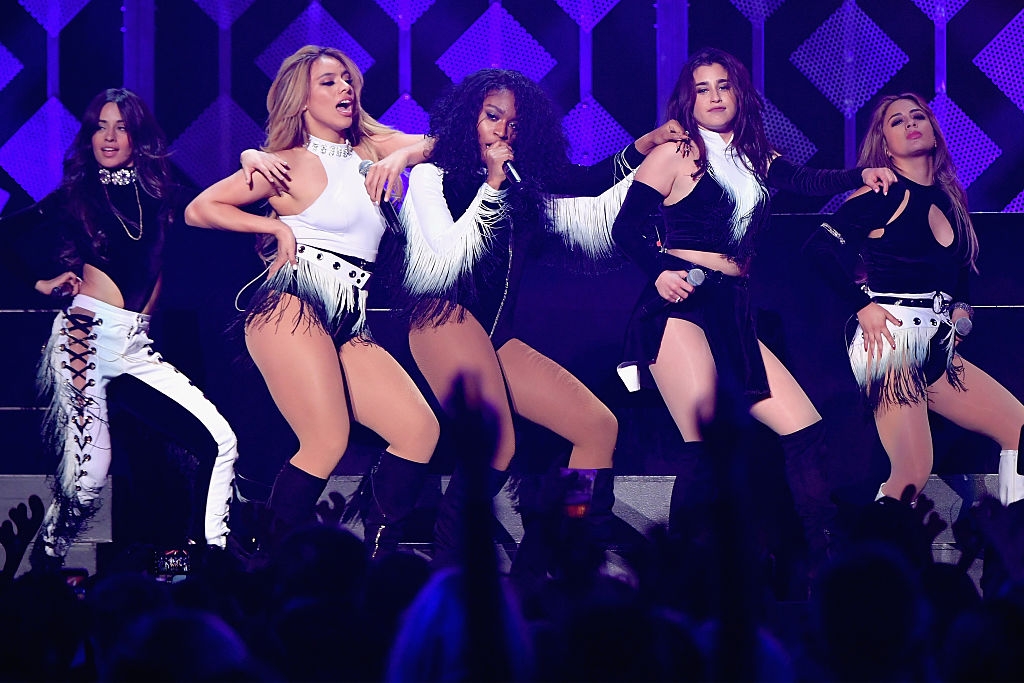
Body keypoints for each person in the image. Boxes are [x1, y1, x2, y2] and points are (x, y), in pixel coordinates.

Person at [609, 47, 896, 576]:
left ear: (739, 93)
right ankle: (679, 584)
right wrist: (658, 269)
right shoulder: (675, 153)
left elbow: (809, 182)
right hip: (680, 305)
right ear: (688, 99)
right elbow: (625, 227)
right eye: (703, 89)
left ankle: (823, 574)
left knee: (805, 430)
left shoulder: (754, 155)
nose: (715, 97)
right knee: (704, 447)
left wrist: (863, 173)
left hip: (732, 307)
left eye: (724, 86)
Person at [397, 68, 685, 579]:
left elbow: (590, 180)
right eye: (492, 118)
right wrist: (491, 184)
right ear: (470, 119)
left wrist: (647, 143)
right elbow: (445, 257)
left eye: (513, 124)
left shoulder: (525, 182)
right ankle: (449, 563)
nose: (503, 132)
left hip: (495, 336)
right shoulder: (432, 176)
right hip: (443, 318)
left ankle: (560, 547)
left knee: (597, 425)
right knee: (495, 443)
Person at [184, 45, 439, 559]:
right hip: (290, 305)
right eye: (328, 82)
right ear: (301, 98)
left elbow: (442, 145)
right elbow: (199, 208)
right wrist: (270, 224)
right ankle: (269, 565)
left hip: (350, 315)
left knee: (418, 431)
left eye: (347, 80)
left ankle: (378, 566)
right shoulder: (286, 165)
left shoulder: (372, 149)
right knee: (326, 440)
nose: (344, 89)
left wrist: (403, 154)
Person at [0, 88, 238, 563]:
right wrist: (39, 282)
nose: (108, 137)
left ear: (137, 136)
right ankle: (44, 565)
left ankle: (212, 563)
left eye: (120, 127)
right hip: (84, 339)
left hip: (134, 346)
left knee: (221, 440)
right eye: (99, 127)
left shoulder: (161, 192)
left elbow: (218, 204)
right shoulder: (76, 193)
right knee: (89, 478)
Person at [802, 92, 1024, 506]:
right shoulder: (882, 194)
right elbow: (817, 250)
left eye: (918, 116)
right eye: (897, 121)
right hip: (890, 340)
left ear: (935, 133)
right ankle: (874, 566)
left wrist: (961, 314)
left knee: (1019, 427)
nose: (910, 124)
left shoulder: (951, 200)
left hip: (935, 341)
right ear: (885, 145)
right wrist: (862, 306)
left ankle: (1015, 551)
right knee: (912, 469)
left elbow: (960, 277)